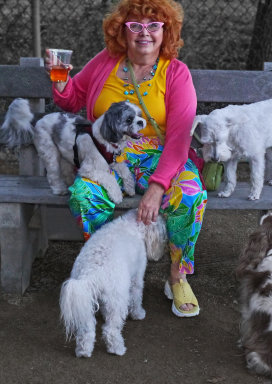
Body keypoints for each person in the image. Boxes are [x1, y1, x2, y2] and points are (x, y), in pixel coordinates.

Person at [47, 0, 207, 317]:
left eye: (153, 25)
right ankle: (109, 266)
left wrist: (157, 187)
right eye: (135, 25)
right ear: (123, 30)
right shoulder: (105, 62)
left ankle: (177, 275)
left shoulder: (176, 73)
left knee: (189, 197)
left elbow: (178, 139)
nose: (143, 33)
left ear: (166, 31)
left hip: (162, 159)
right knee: (84, 196)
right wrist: (59, 76)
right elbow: (71, 99)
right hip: (107, 157)